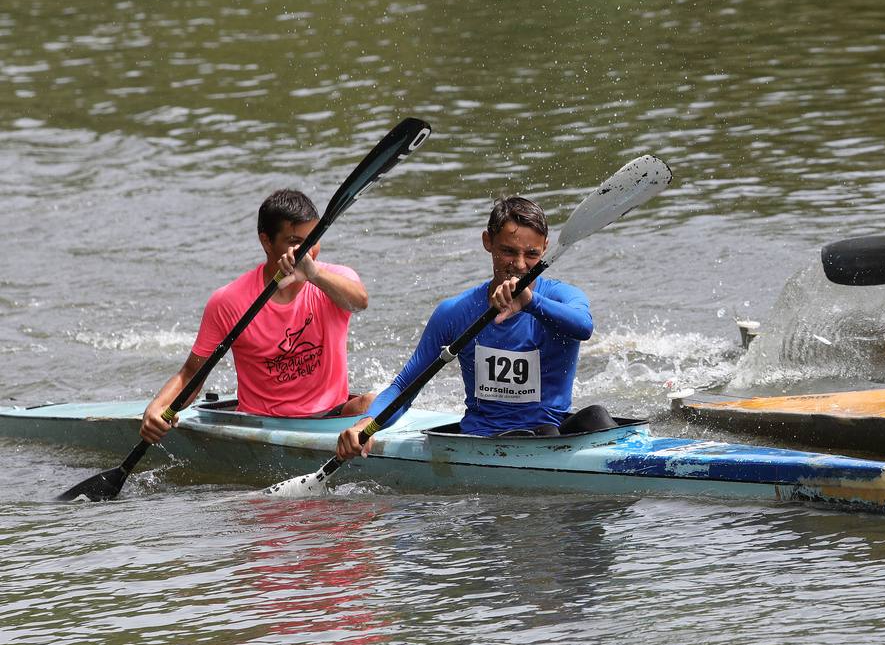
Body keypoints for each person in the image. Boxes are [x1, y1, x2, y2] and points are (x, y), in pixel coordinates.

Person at [335, 196, 611, 459]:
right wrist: (365, 426)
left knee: (596, 416)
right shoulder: (455, 312)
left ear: (545, 248)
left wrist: (530, 302)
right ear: (487, 242)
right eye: (508, 251)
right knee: (546, 433)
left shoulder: (563, 298)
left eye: (531, 254)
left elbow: (584, 327)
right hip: (483, 440)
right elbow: (404, 387)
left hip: (549, 435)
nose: (519, 264)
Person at [140, 189, 373, 443]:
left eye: (313, 239)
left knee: (374, 401)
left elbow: (360, 302)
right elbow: (190, 374)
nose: (307, 251)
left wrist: (314, 275)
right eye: (295, 241)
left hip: (330, 417)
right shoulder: (229, 302)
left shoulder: (335, 280)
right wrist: (158, 407)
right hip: (260, 424)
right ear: (266, 241)